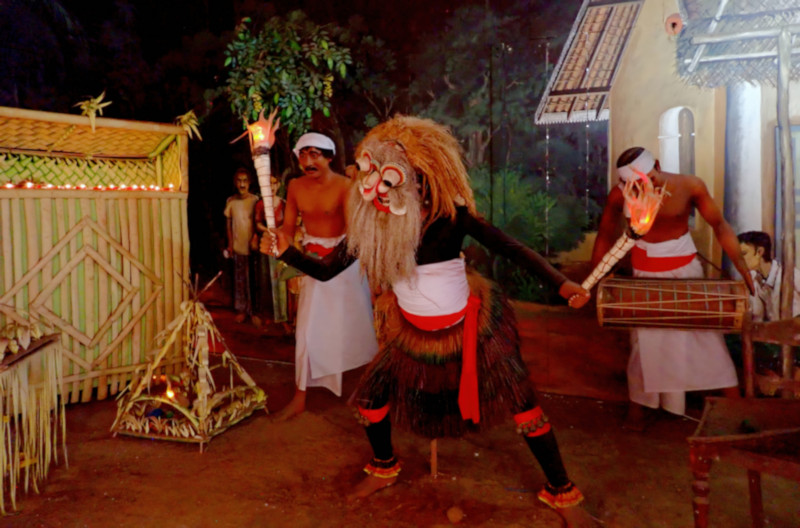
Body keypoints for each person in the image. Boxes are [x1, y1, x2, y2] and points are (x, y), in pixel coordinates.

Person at [264, 116, 595, 527]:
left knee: (524, 404)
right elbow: (329, 270)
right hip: (411, 331)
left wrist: (562, 285)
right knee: (370, 401)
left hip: (470, 326)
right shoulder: (373, 226)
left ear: (418, 180)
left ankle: (560, 490)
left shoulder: (450, 216)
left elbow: (512, 249)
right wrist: (286, 253)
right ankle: (384, 465)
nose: (384, 192)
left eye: (396, 181)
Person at [591, 147, 755, 430]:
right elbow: (605, 234)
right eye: (637, 185)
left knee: (706, 339)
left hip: (685, 274)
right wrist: (594, 279)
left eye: (649, 179)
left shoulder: (689, 185)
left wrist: (742, 266)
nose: (645, 188)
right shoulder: (620, 195)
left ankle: (738, 408)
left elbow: (718, 224)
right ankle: (638, 410)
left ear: (657, 164)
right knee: (644, 343)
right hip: (644, 275)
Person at [271, 131, 379, 422]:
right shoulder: (294, 186)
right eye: (303, 155)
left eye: (315, 154)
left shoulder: (346, 187)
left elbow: (354, 237)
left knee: (355, 329)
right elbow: (289, 226)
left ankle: (363, 391)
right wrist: (277, 236)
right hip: (309, 262)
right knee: (306, 330)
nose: (308, 161)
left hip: (342, 266)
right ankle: (299, 397)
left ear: (329, 157)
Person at [224, 167, 260, 325]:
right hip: (238, 246)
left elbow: (258, 222)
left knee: (252, 279)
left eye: (245, 180)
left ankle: (254, 312)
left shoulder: (255, 200)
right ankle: (241, 310)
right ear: (235, 183)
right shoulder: (231, 201)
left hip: (252, 246)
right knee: (239, 279)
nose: (242, 184)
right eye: (239, 181)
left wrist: (255, 238)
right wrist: (230, 244)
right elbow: (228, 224)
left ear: (250, 182)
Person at [738, 230, 800, 321]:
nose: (740, 259)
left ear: (759, 252)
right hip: (772, 333)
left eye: (744, 253)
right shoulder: (754, 280)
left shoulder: (792, 275)